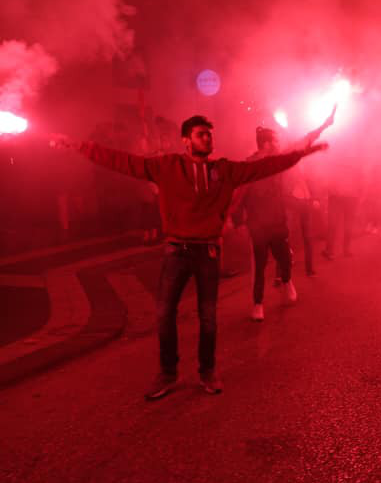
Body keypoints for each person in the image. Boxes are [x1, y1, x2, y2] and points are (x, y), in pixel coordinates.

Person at [51, 115, 329, 399]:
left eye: (209, 134)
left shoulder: (224, 170)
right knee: (164, 314)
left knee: (207, 316)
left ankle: (207, 371)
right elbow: (124, 162)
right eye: (200, 134)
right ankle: (167, 373)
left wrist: (301, 153)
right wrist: (79, 146)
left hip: (208, 251)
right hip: (176, 250)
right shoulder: (168, 166)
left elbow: (265, 167)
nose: (207, 138)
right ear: (186, 141)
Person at [233, 127, 299, 322]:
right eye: (276, 141)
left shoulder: (277, 163)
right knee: (259, 265)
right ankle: (258, 304)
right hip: (258, 224)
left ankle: (287, 281)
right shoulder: (250, 166)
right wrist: (238, 220)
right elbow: (240, 194)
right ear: (267, 144)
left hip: (277, 221)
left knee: (285, 257)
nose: (278, 144)